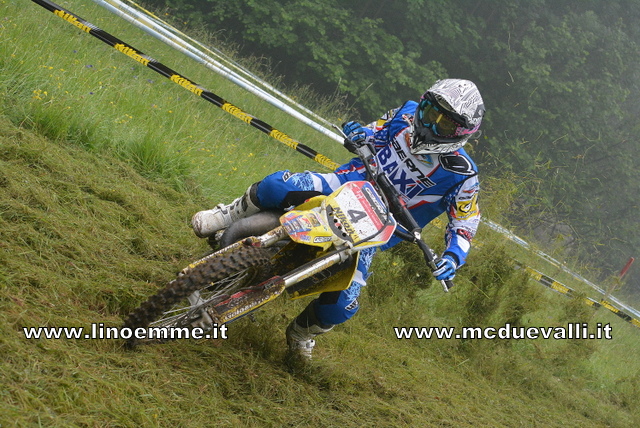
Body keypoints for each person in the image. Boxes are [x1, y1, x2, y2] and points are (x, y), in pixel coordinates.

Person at [191, 78, 485, 359]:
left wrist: (453, 257)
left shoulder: (463, 175)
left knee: (342, 307)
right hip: (343, 184)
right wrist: (358, 133)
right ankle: (226, 215)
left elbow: (465, 221)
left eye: (444, 123)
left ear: (461, 132)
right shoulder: (406, 113)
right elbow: (373, 133)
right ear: (423, 104)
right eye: (431, 113)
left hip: (374, 230)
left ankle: (302, 333)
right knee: (275, 186)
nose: (432, 124)